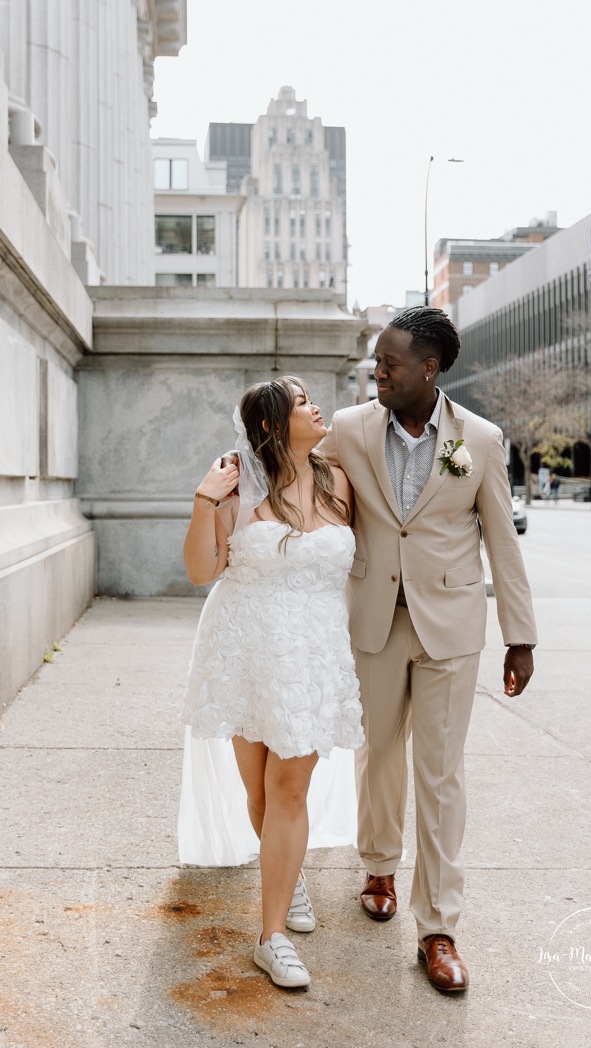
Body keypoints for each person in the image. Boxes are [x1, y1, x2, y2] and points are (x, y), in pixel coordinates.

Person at [322, 307, 537, 993]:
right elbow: (308, 496)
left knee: (441, 773)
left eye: (388, 362)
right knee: (378, 751)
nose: (376, 370)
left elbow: (501, 537)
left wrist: (520, 634)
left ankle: (438, 927)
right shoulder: (349, 429)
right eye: (374, 361)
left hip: (450, 624)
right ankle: (379, 865)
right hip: (374, 620)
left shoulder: (479, 437)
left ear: (428, 369)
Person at [180, 376, 365, 989]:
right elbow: (203, 570)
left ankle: (273, 935)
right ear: (271, 425)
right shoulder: (239, 483)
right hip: (245, 648)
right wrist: (206, 500)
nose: (316, 406)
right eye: (301, 401)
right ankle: (292, 878)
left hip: (312, 654)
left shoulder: (339, 480)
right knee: (259, 788)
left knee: (290, 786)